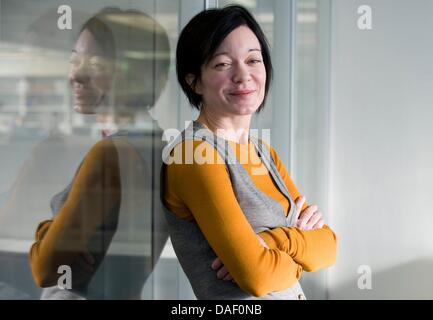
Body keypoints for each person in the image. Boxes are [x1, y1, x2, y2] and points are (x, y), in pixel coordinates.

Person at [162, 5, 337, 300]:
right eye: (222, 64)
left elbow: (329, 247)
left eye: (253, 60)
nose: (243, 76)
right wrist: (298, 252)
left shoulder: (263, 153)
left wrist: (271, 242)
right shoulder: (194, 155)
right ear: (194, 81)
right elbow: (257, 277)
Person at [29, 8, 170, 299]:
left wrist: (47, 231)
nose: (76, 75)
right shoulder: (159, 146)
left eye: (94, 63)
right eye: (74, 60)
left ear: (132, 73)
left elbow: (44, 268)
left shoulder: (110, 154)